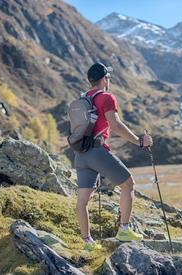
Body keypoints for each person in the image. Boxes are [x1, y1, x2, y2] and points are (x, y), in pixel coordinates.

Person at [74, 62, 153, 251]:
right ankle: (124, 229)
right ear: (104, 79)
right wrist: (139, 141)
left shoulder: (83, 98)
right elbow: (115, 125)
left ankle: (88, 243)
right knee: (128, 184)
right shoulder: (106, 97)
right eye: (107, 77)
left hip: (80, 154)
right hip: (97, 152)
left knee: (82, 201)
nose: (109, 80)